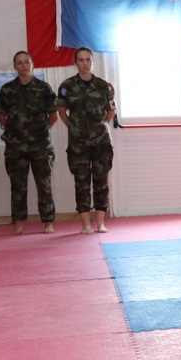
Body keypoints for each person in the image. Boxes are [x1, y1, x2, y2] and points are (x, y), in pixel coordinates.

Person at [0, 51, 58, 235]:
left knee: (44, 184)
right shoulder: (7, 90)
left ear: (32, 64)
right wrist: (17, 130)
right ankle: (19, 222)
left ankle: (48, 222)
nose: (23, 66)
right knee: (18, 185)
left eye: (26, 62)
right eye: (19, 63)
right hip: (16, 146)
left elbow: (53, 116)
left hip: (40, 145)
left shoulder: (44, 88)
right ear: (15, 66)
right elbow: (1, 116)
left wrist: (40, 131)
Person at [57, 47, 116, 234]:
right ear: (76, 63)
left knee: (101, 182)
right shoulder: (67, 86)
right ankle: (85, 224)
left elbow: (111, 111)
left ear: (92, 62)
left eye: (88, 60)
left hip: (101, 143)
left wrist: (100, 127)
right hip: (78, 144)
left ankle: (100, 223)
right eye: (81, 60)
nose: (84, 63)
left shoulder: (104, 86)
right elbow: (61, 112)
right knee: (81, 182)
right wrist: (74, 127)